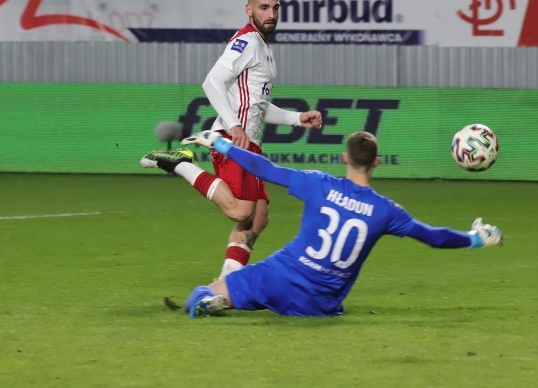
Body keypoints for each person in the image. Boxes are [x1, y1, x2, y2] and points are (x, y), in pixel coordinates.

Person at [177, 130, 504, 318]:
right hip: (320, 303)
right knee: (318, 303)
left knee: (200, 294)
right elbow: (434, 237)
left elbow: (265, 169)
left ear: (345, 158)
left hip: (278, 276)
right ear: (376, 162)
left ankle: (213, 300)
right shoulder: (386, 211)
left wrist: (220, 144)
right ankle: (225, 300)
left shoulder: (318, 183)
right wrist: (477, 238)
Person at [141, 0, 323, 279]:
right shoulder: (247, 42)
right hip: (231, 140)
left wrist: (297, 118)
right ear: (249, 9)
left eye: (275, 8)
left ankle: (227, 284)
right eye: (264, 7)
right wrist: (234, 124)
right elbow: (211, 82)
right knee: (241, 212)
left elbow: (258, 105)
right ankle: (181, 164)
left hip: (249, 143)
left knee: (258, 218)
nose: (271, 13)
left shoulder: (264, 48)